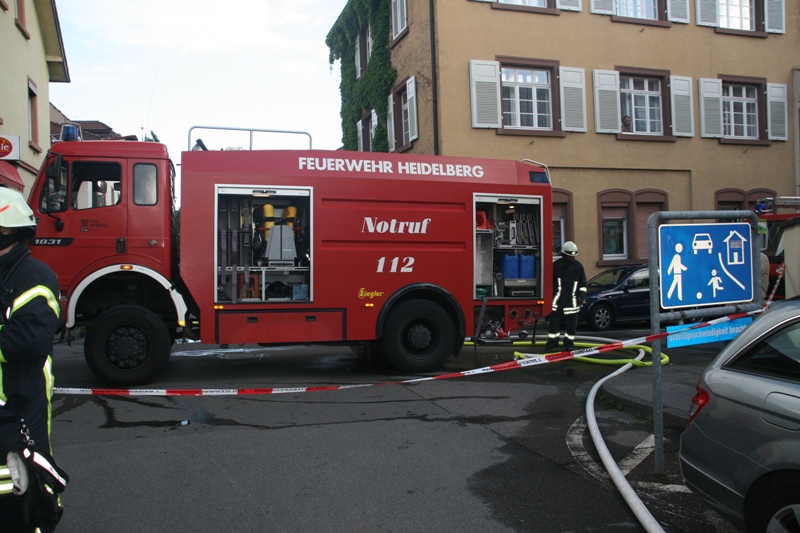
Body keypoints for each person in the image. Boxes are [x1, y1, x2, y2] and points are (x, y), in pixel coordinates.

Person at [0, 187, 63, 532]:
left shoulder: (34, 277)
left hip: (20, 401)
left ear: (6, 228)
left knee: (28, 481)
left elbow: (29, 340)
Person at [546, 241, 587, 351]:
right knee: (554, 324)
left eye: (573, 256)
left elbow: (583, 283)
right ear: (564, 255)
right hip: (557, 302)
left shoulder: (578, 267)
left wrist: (582, 295)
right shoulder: (556, 266)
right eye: (569, 256)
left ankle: (569, 343)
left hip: (572, 302)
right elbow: (548, 282)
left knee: (571, 326)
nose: (571, 258)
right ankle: (553, 342)